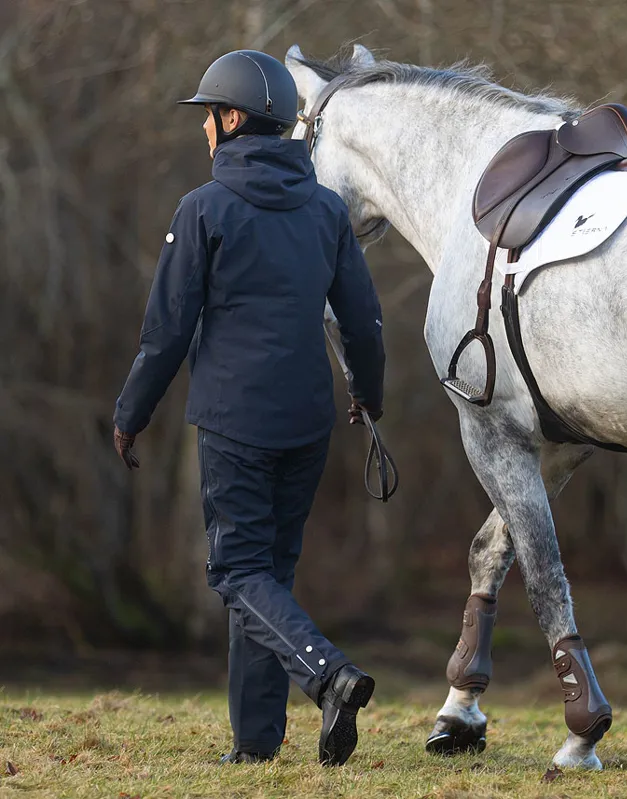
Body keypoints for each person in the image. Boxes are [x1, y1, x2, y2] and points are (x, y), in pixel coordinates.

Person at [112, 50, 385, 767]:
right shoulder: (327, 210)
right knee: (268, 576)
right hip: (306, 421)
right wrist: (369, 393)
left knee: (236, 571)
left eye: (208, 115)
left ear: (232, 119)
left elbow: (167, 330)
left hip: (235, 421)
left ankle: (328, 675)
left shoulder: (203, 209)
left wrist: (130, 411)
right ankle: (255, 744)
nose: (205, 129)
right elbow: (362, 319)